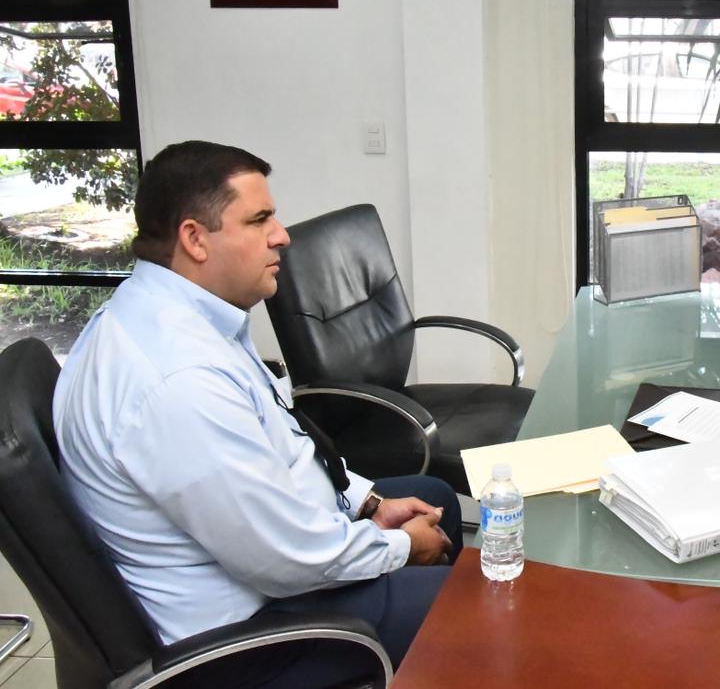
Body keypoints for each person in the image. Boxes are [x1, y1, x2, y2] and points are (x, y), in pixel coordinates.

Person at [54, 141, 462, 686]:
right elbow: (286, 558)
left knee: (433, 500)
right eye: (259, 219)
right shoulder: (176, 381)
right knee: (474, 602)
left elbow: (284, 446)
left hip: (260, 567)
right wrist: (401, 547)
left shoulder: (186, 317)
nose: (282, 236)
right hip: (247, 638)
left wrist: (368, 504)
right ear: (195, 239)